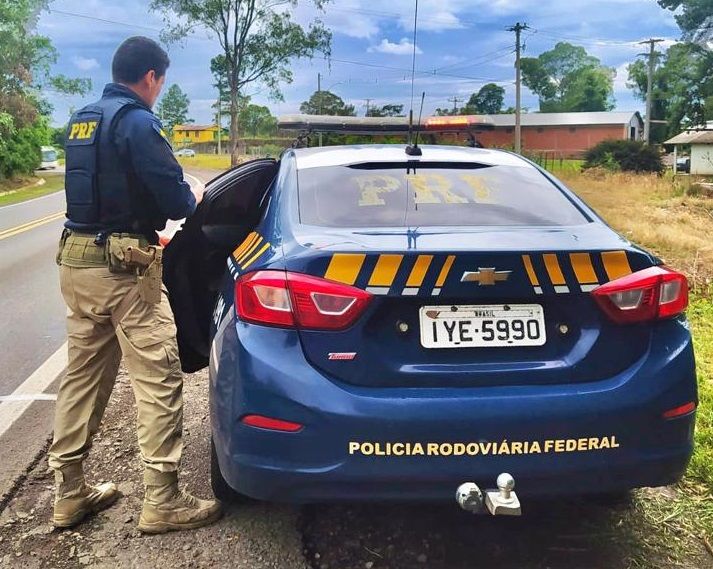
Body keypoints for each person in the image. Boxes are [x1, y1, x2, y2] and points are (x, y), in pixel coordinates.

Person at [49, 36, 221, 534]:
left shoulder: (83, 119)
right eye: (160, 82)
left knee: (82, 378)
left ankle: (69, 494)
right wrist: (193, 192)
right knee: (158, 376)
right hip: (124, 268)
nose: (158, 91)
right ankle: (162, 501)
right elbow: (176, 202)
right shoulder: (139, 122)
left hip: (75, 262)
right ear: (151, 77)